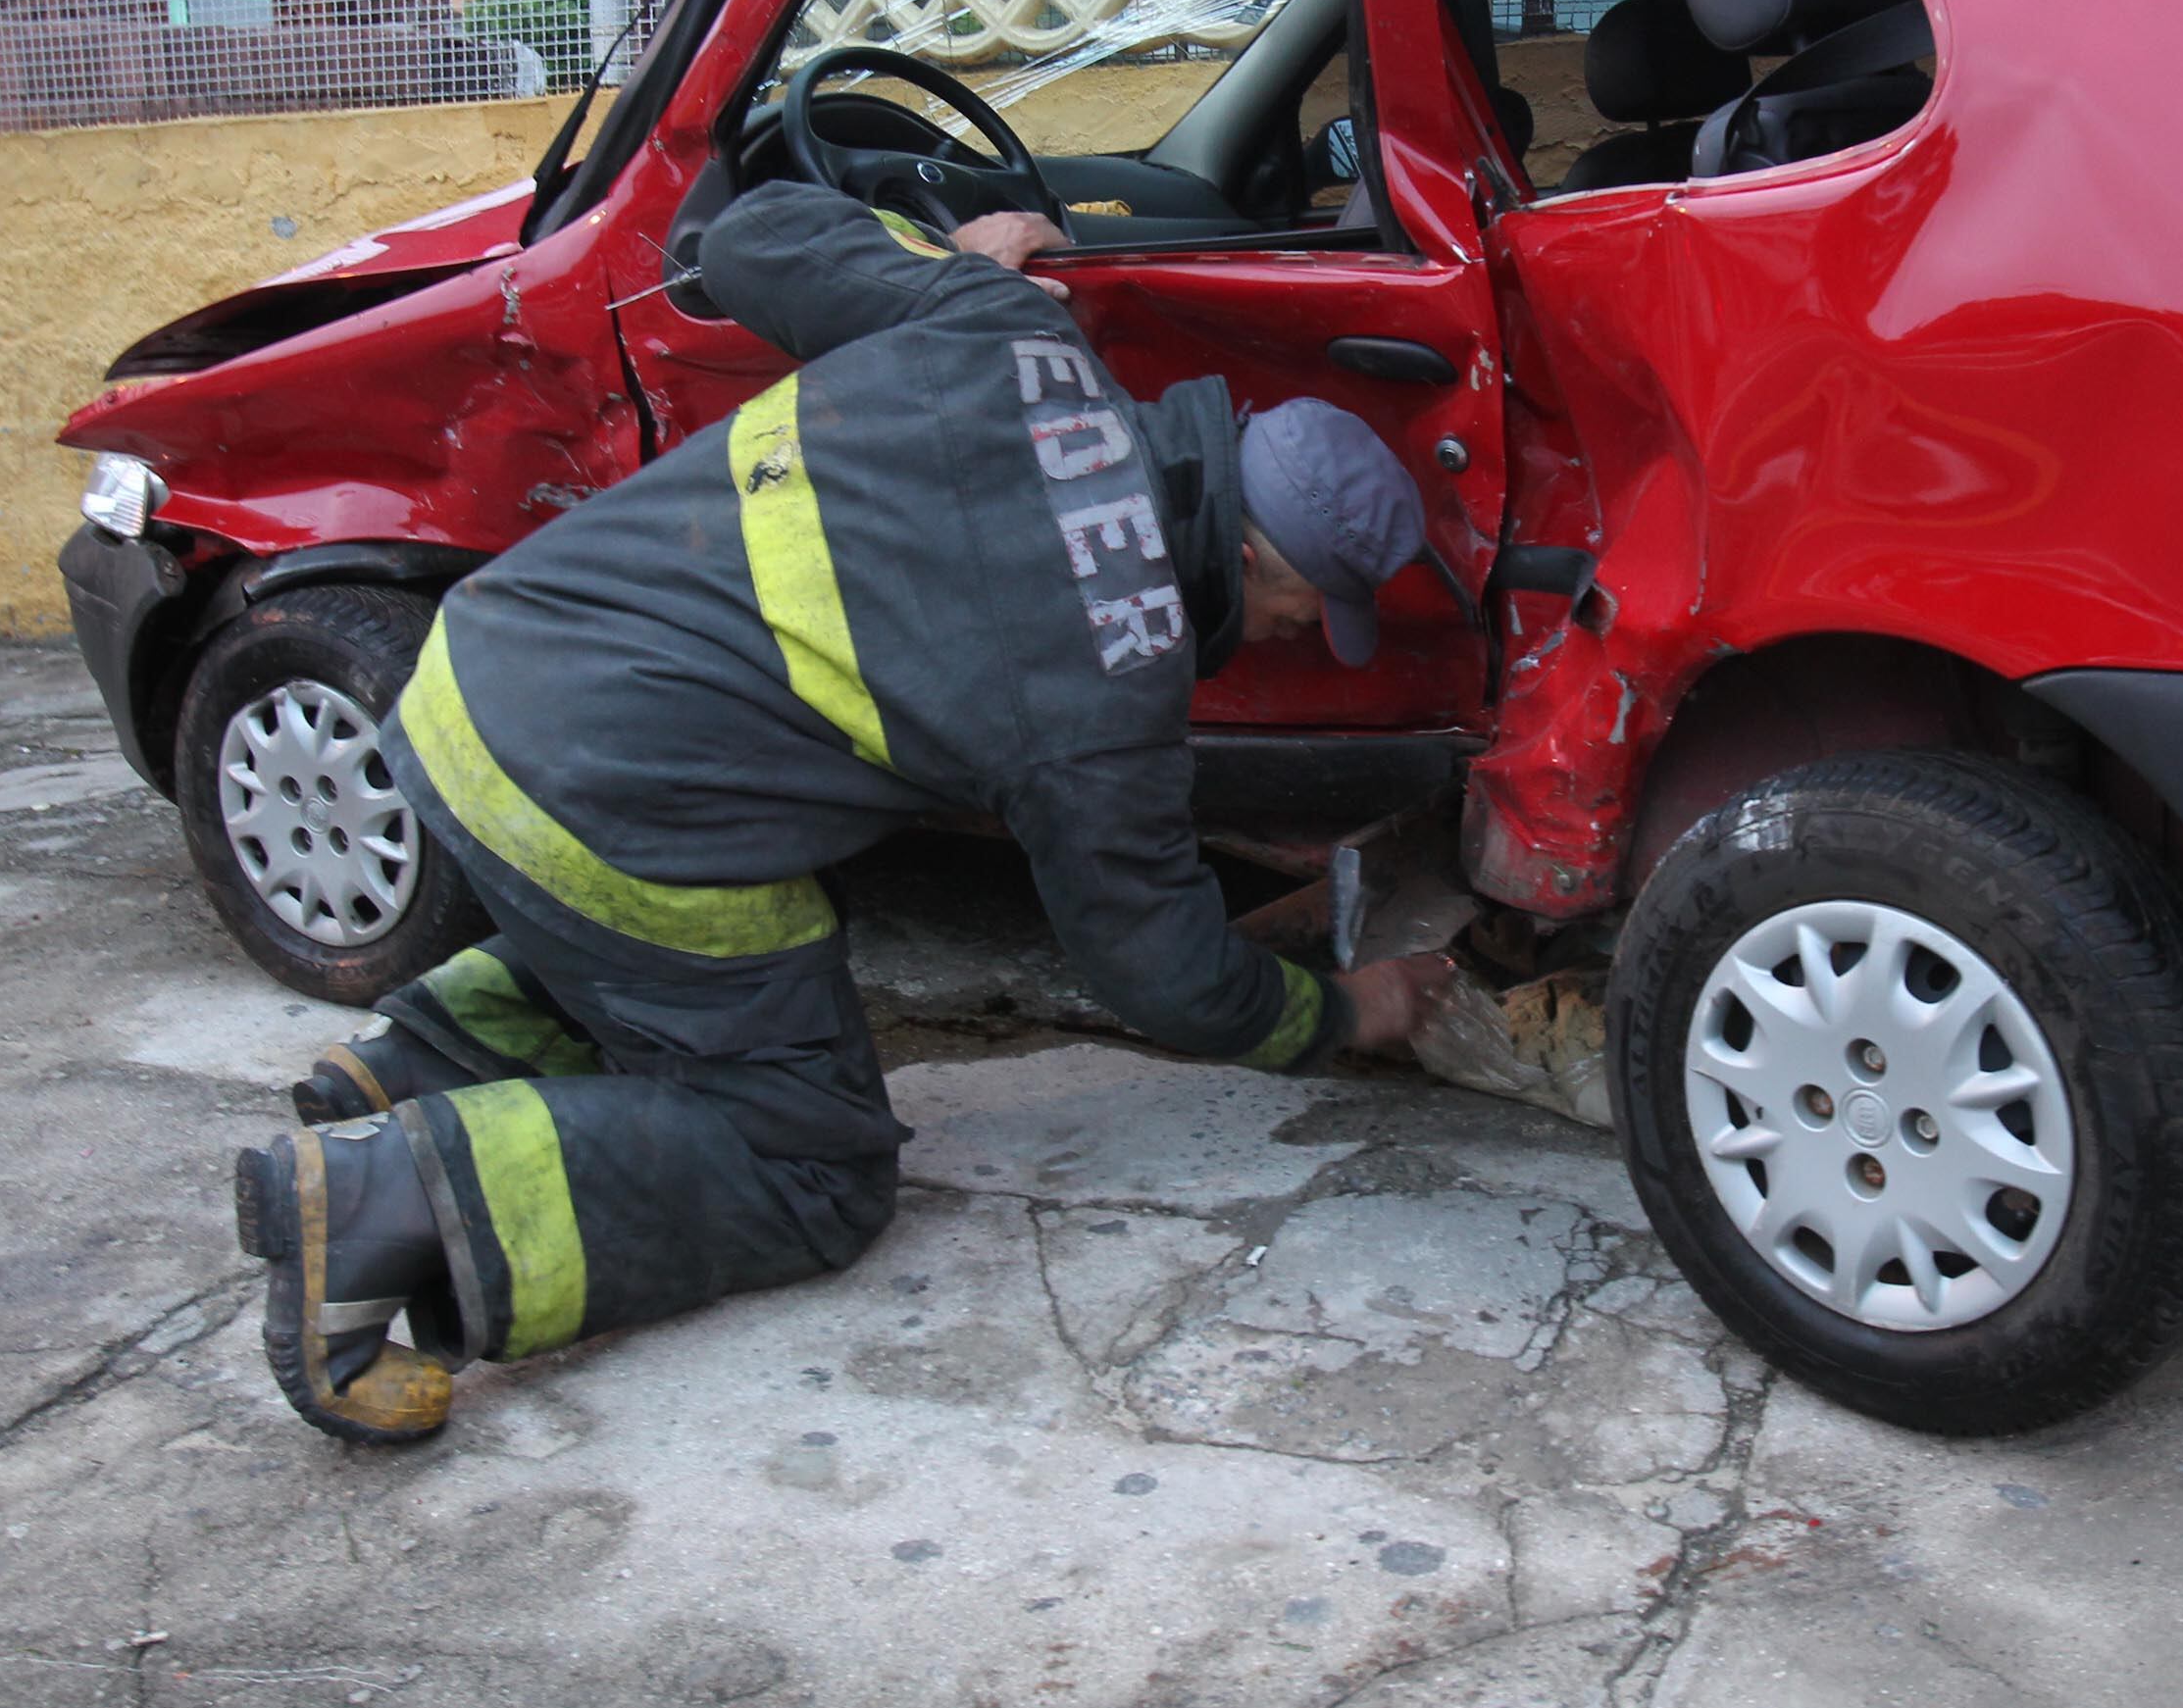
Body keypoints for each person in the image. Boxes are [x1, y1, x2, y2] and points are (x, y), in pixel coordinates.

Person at [229, 184, 1444, 1442]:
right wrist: (1344, 1012)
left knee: (772, 916)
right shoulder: (1108, 690)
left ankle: (410, 1069)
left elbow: (743, 238)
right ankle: (380, 1205)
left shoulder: (1012, 336)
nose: (1304, 636)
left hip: (472, 674)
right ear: (1251, 556)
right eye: (1314, 607)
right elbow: (1164, 974)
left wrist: (952, 254)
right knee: (810, 1166)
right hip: (596, 807)